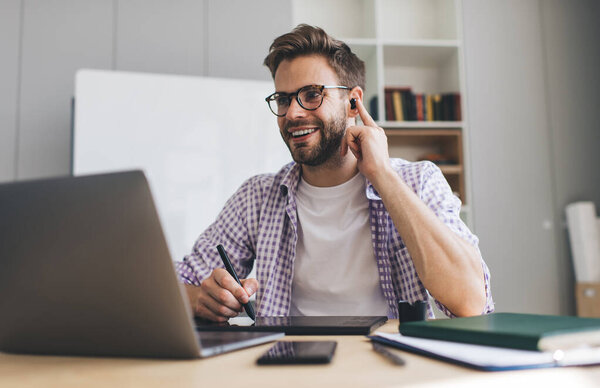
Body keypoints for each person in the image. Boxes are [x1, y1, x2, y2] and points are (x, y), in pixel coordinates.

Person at [177, 24, 494, 322]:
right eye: (283, 99)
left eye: (312, 94)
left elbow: (470, 302)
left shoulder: (419, 181)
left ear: (353, 103)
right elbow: (178, 282)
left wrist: (382, 174)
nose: (293, 113)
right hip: (289, 370)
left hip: (393, 373)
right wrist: (199, 298)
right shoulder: (257, 197)